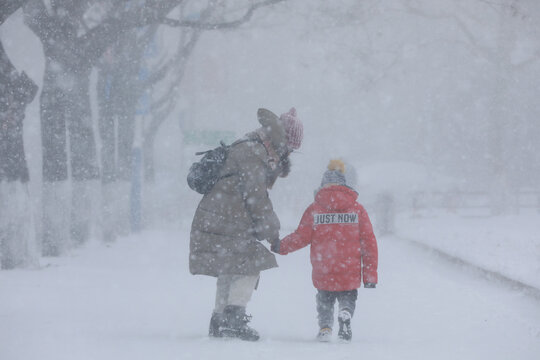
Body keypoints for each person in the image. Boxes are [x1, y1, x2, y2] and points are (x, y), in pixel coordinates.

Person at [189, 107, 303, 341]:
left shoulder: (252, 145)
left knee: (231, 266)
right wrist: (272, 232)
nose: (289, 153)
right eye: (290, 148)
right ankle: (234, 318)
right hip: (225, 217)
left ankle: (219, 319)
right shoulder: (254, 152)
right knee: (251, 263)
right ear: (283, 141)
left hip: (220, 214)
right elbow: (256, 197)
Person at [272, 159, 378, 342]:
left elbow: (301, 236)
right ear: (344, 184)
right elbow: (369, 243)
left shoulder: (315, 209)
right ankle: (345, 312)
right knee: (348, 296)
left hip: (324, 266)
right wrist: (369, 275)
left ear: (323, 185)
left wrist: (281, 246)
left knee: (325, 299)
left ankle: (325, 328)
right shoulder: (357, 210)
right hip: (349, 268)